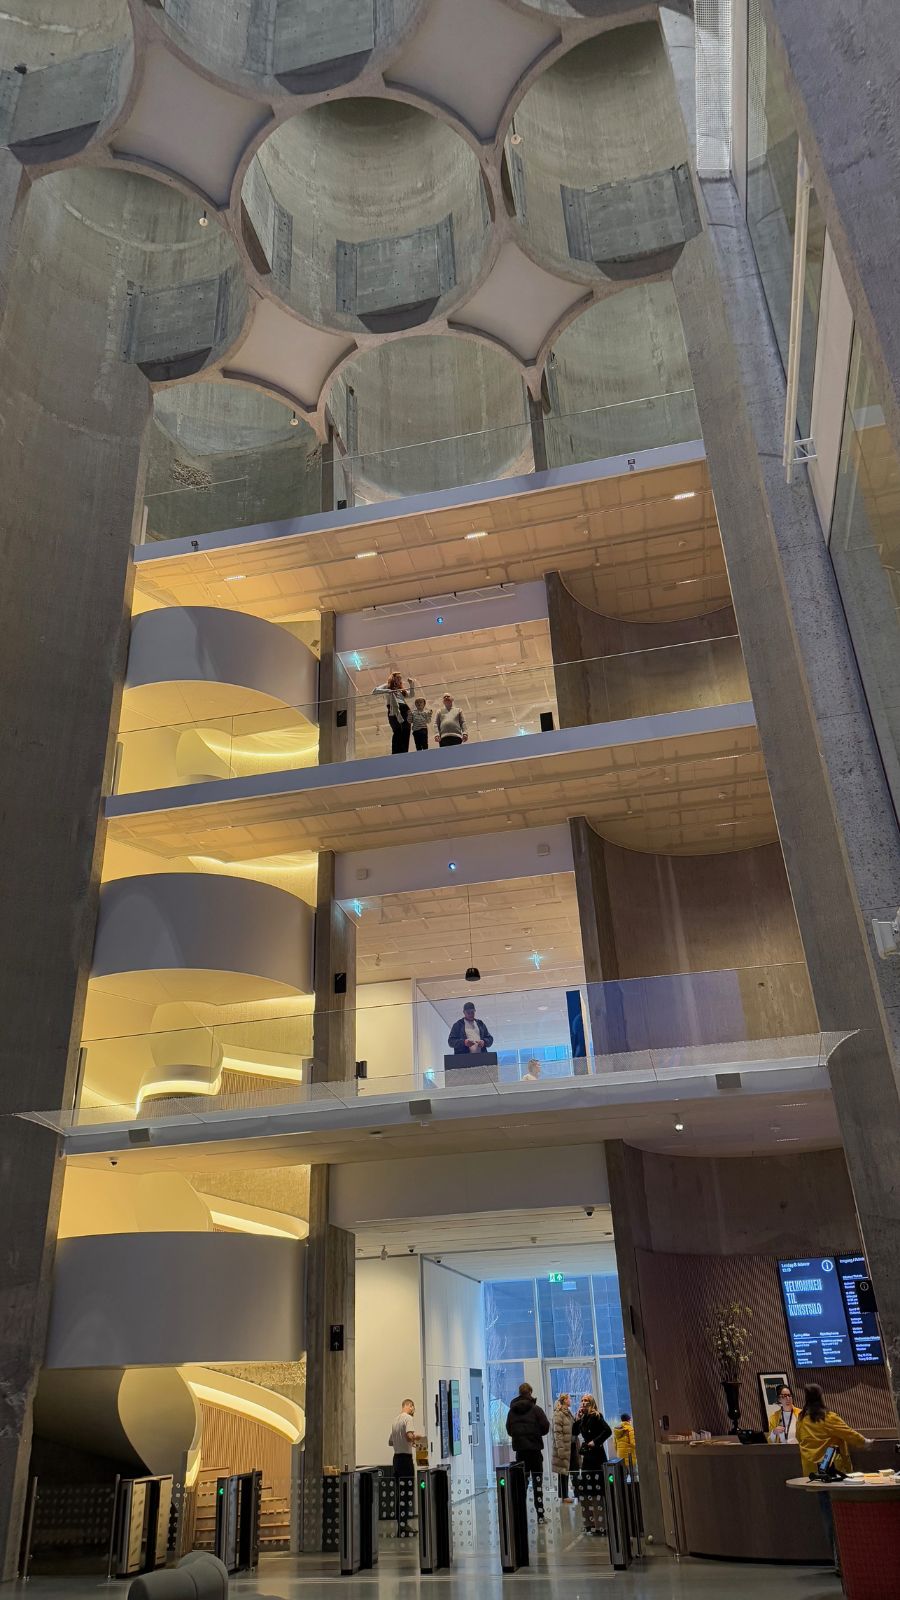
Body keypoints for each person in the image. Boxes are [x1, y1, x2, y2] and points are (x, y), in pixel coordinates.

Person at [796, 1384, 872, 1569]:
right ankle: (847, 1559)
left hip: (815, 1474)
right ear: (821, 1396)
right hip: (835, 1473)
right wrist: (865, 1442)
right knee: (841, 1516)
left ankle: (838, 1560)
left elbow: (799, 1438)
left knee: (827, 1516)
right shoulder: (827, 1417)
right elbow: (848, 1433)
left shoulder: (802, 1419)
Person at [506, 1382, 550, 1520]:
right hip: (535, 1452)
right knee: (538, 1484)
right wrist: (535, 1434)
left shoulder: (512, 1411)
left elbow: (509, 1429)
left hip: (520, 1453)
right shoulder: (536, 1410)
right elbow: (545, 1427)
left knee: (522, 1485)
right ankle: (540, 1515)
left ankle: (520, 1515)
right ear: (530, 1392)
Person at [574, 1393, 612, 1535]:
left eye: (586, 1401)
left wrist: (595, 1442)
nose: (583, 1403)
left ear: (591, 1403)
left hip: (596, 1456)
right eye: (582, 1400)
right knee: (585, 1490)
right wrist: (577, 1418)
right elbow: (574, 1432)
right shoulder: (582, 1417)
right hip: (587, 1458)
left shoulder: (597, 1416)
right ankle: (589, 1523)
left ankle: (600, 1524)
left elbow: (607, 1431)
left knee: (597, 1491)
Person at [389, 1398, 425, 1536]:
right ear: (408, 1406)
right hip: (405, 1460)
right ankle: (405, 1524)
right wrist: (418, 1438)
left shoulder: (395, 1420)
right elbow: (409, 1436)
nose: (413, 1410)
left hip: (396, 1459)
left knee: (399, 1491)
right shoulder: (408, 1418)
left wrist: (404, 1443)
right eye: (413, 1407)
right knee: (407, 1492)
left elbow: (390, 1442)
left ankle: (400, 1523)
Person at [372, 672, 415, 754]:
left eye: (400, 678)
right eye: (397, 677)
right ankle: (395, 752)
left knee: (406, 730)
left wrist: (411, 684)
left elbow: (411, 695)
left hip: (404, 708)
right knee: (397, 730)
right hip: (393, 708)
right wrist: (388, 691)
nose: (399, 679)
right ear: (393, 678)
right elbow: (374, 691)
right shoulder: (387, 686)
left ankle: (404, 752)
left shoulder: (401, 689)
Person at [552, 1392, 575, 1503]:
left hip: (570, 1445)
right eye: (569, 1398)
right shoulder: (558, 1414)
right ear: (565, 1400)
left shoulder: (568, 1412)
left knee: (569, 1470)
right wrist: (560, 1449)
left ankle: (572, 1493)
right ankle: (564, 1495)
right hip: (563, 1447)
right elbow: (558, 1432)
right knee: (563, 1471)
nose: (570, 1400)